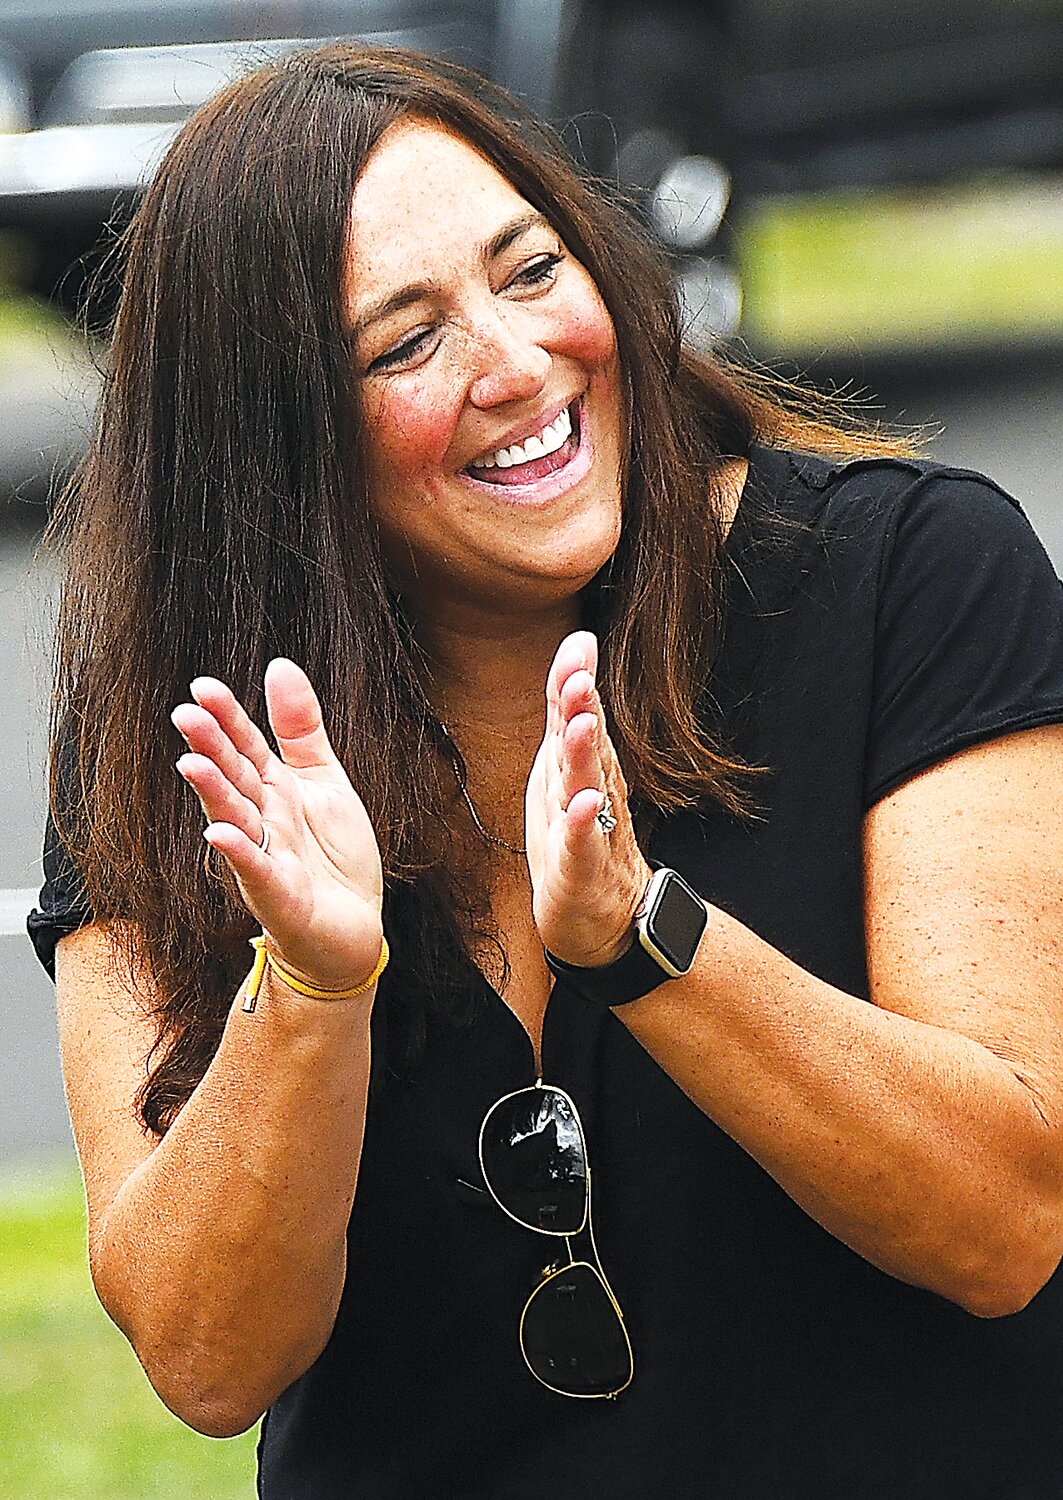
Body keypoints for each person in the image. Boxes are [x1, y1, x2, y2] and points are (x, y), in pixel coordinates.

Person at [28, 41, 1063, 1500]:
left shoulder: (911, 575)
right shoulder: (185, 735)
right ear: (280, 451)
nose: (518, 365)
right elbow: (207, 1359)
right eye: (405, 343)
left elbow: (1006, 1220)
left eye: (529, 271)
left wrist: (650, 947)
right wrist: (314, 992)